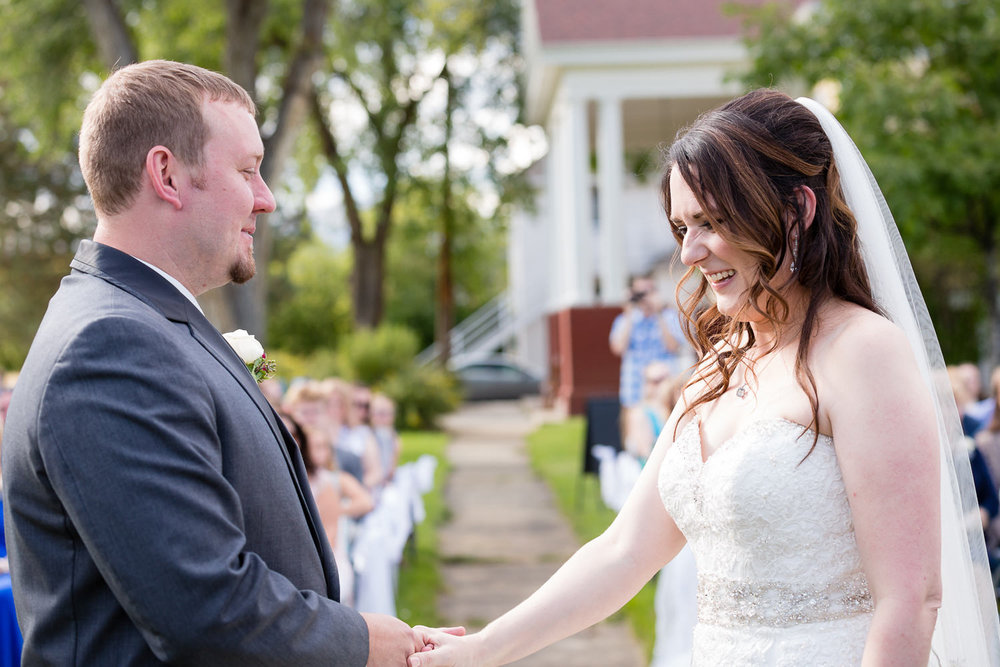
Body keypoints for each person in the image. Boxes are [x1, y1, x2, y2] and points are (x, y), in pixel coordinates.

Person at [409, 90, 999, 665]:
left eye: (711, 222)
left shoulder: (863, 352)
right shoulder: (717, 369)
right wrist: (483, 650)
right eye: (681, 227)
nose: (690, 252)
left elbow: (911, 600)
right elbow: (622, 552)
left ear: (797, 211)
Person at [0, 60, 443, 665]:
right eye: (248, 170)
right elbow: (205, 607)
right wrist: (364, 643)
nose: (268, 200)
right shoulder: (107, 346)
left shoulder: (148, 322)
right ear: (168, 175)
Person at [609, 274, 685, 408]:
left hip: (664, 387)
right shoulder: (624, 320)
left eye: (648, 291)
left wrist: (658, 312)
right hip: (634, 388)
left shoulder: (669, 317)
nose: (644, 297)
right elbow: (618, 348)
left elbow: (673, 346)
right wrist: (628, 312)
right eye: (640, 292)